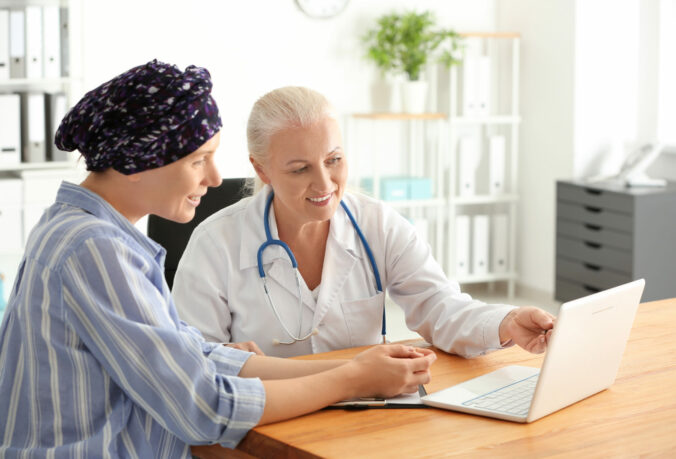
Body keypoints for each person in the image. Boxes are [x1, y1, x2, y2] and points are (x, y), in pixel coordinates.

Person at [0, 62, 436, 458]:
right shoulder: (93, 249)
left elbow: (194, 354)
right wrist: (351, 382)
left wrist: (353, 366)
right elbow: (203, 407)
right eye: (199, 160)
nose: (214, 178)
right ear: (138, 162)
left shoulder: (83, 229)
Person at [172, 86, 555, 358]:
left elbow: (440, 307)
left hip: (363, 414)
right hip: (265, 417)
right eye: (300, 168)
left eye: (334, 160)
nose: (324, 184)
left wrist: (507, 321)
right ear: (262, 168)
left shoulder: (378, 225)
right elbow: (194, 362)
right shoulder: (215, 243)